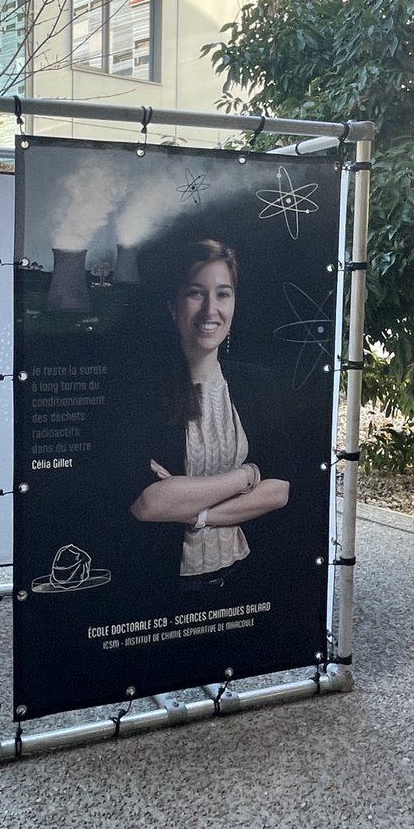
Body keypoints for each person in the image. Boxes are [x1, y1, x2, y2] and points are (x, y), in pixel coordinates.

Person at [129, 239, 289, 585]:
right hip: (167, 583)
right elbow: (149, 504)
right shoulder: (144, 390)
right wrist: (246, 476)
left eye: (223, 294)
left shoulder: (258, 383)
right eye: (196, 293)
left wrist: (195, 511)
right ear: (173, 306)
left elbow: (280, 490)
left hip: (245, 573)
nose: (210, 310)